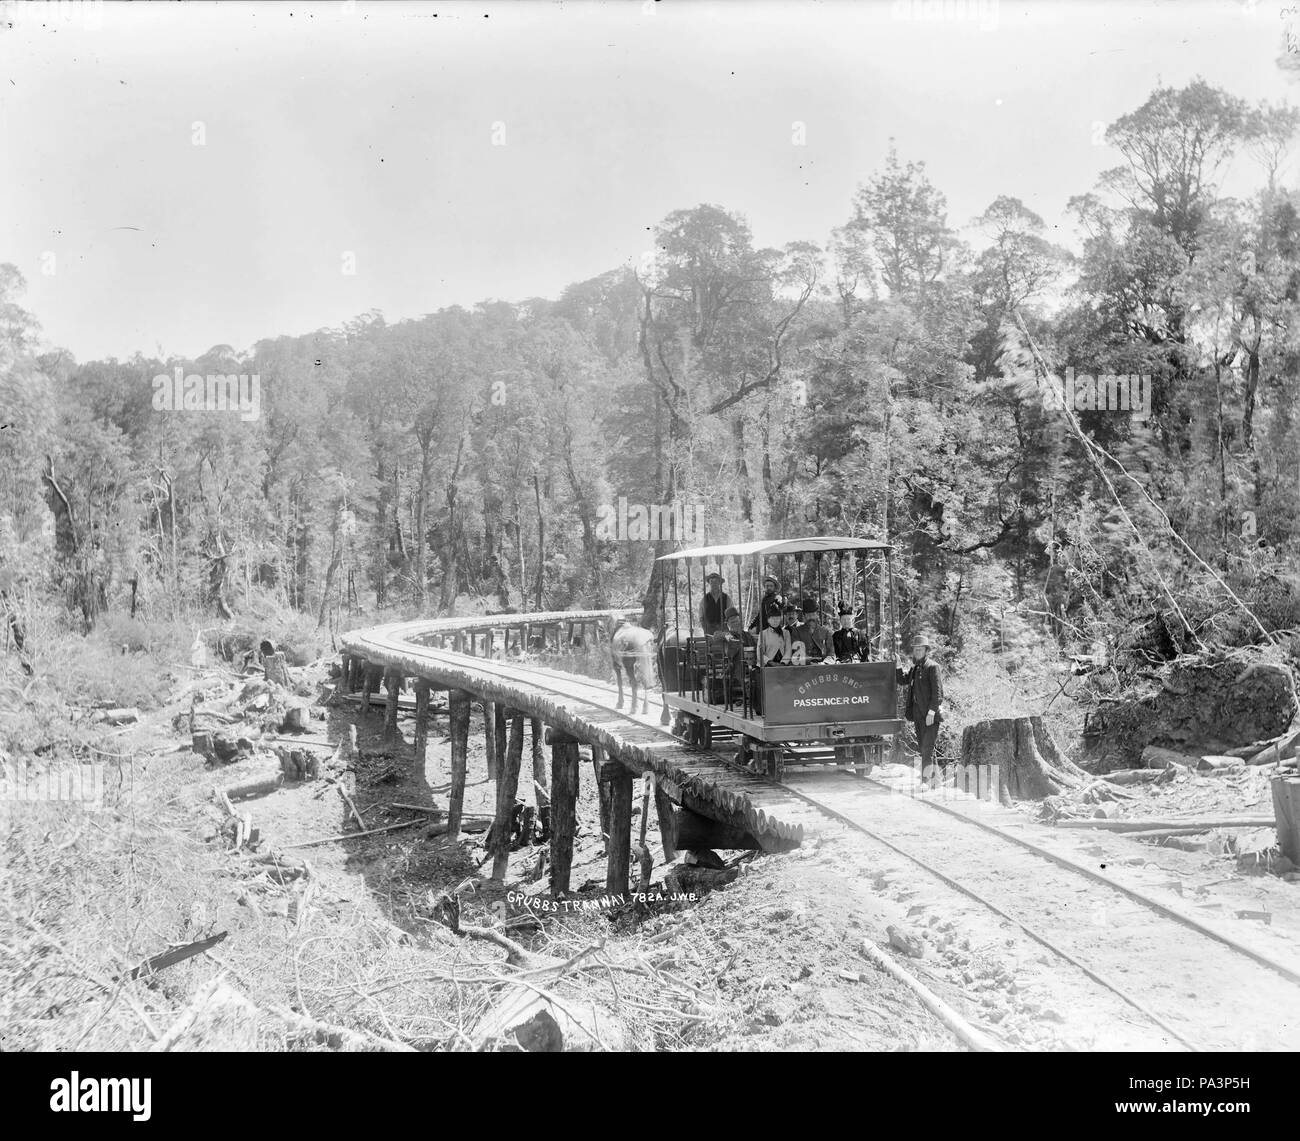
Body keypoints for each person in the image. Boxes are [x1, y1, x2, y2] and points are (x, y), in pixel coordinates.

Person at [896, 634, 943, 774]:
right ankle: (934, 781)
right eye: (915, 649)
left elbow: (938, 694)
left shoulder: (933, 667)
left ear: (926, 651)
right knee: (924, 747)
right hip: (917, 714)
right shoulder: (915, 668)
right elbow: (903, 681)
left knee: (927, 748)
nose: (917, 652)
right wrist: (898, 665)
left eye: (920, 649)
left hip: (930, 715)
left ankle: (926, 780)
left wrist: (931, 712)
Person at [790, 598, 829, 663]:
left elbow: (831, 653)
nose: (811, 618)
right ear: (804, 616)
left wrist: (824, 663)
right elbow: (797, 654)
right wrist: (811, 662)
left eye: (813, 614)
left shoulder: (826, 631)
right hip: (804, 668)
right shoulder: (797, 632)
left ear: (817, 615)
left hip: (823, 668)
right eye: (808, 615)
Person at [698, 572, 732, 636]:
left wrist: (731, 627)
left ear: (719, 583)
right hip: (709, 629)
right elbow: (701, 616)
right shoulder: (705, 599)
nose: (714, 584)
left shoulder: (726, 598)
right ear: (709, 583)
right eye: (712, 581)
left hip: (723, 628)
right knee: (710, 645)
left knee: (725, 645)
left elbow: (731, 615)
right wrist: (705, 628)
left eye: (716, 581)